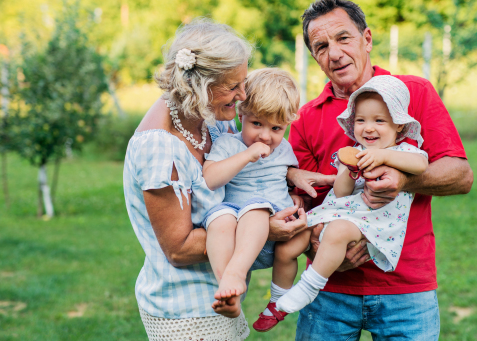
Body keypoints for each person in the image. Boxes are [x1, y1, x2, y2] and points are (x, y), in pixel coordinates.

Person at [122, 19, 331, 341]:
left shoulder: (209, 124)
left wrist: (289, 173)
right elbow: (178, 249)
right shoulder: (159, 147)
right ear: (199, 86)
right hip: (186, 310)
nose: (242, 95)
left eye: (243, 82)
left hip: (221, 299)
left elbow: (251, 163)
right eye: (233, 87)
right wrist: (267, 231)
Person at [287, 0, 474, 340]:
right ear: (315, 57)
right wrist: (318, 246)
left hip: (406, 289)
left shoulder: (412, 93)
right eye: (321, 46)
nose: (335, 53)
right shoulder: (305, 119)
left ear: (367, 39)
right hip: (328, 290)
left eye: (344, 38)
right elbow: (302, 203)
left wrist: (402, 179)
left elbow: (460, 176)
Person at [262, 75, 428, 321]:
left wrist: (384, 157)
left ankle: (308, 287)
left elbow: (421, 164)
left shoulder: (405, 152)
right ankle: (277, 301)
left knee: (338, 231)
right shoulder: (353, 153)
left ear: (400, 125)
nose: (368, 128)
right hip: (340, 211)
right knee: (289, 245)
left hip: (374, 222)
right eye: (360, 120)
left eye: (379, 121)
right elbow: (340, 192)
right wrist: (349, 171)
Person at [200, 68, 302, 318]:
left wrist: (295, 194)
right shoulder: (228, 144)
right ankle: (229, 289)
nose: (265, 136)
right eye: (257, 123)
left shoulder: (285, 149)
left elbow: (286, 178)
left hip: (275, 236)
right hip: (236, 236)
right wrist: (246, 155)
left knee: (258, 208)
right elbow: (211, 179)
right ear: (241, 115)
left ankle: (274, 299)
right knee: (220, 217)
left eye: (277, 128)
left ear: (287, 124)